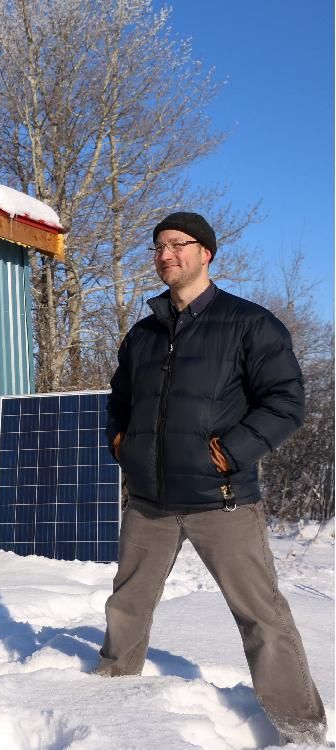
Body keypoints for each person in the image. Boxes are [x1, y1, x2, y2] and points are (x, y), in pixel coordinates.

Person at [94, 211, 327, 744]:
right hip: (149, 501)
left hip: (222, 500)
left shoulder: (250, 324)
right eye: (158, 246)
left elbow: (286, 403)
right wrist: (121, 443)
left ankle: (302, 729)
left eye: (178, 244)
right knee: (126, 607)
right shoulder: (144, 334)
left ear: (206, 253)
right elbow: (119, 400)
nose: (166, 255)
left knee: (261, 616)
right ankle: (106, 700)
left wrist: (230, 453)